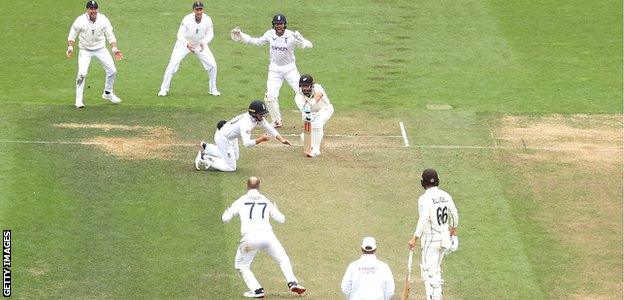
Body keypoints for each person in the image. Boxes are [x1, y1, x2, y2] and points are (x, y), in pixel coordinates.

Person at [222, 177, 306, 298]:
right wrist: (277, 209)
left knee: (241, 266)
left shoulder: (240, 200)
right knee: (283, 259)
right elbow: (281, 219)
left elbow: (225, 219)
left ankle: (256, 289)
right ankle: (292, 282)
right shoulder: (266, 200)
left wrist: (227, 211)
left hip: (250, 238)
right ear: (259, 187)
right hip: (268, 236)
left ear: (247, 186)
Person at [230, 14, 313, 128]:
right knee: (270, 96)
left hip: (290, 68)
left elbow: (310, 45)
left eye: (281, 24)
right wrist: (242, 36)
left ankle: (310, 116)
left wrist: (302, 41)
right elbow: (257, 42)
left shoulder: (292, 35)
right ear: (274, 25)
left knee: (301, 92)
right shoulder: (270, 34)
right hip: (274, 69)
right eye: (277, 24)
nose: (279, 26)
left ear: (284, 24)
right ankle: (277, 121)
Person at [195, 100, 291, 172]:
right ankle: (204, 158)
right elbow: (247, 144)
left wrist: (281, 140)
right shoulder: (246, 123)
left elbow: (269, 128)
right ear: (254, 113)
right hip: (223, 138)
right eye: (261, 114)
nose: (263, 116)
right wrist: (261, 139)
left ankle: (207, 147)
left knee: (234, 157)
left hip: (230, 137)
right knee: (231, 167)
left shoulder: (257, 118)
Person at [407, 169, 459, 300]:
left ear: (422, 182)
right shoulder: (446, 195)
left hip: (431, 240)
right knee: (436, 270)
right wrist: (453, 229)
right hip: (445, 238)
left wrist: (414, 238)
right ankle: (437, 297)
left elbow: (424, 219)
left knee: (427, 273)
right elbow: (454, 214)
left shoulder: (424, 199)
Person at [66, 0, 124, 109]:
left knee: (112, 71)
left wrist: (115, 49)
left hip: (100, 48)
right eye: (91, 9)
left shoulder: (103, 19)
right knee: (82, 74)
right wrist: (70, 47)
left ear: (97, 9)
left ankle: (108, 93)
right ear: (87, 9)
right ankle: (79, 100)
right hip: (85, 50)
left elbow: (110, 35)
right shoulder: (80, 20)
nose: (93, 11)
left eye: (95, 8)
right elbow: (72, 34)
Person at [158, 2, 220, 97]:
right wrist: (187, 44)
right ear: (193, 10)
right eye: (197, 9)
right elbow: (179, 34)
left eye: (200, 9)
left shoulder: (208, 20)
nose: (199, 12)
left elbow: (210, 34)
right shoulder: (187, 19)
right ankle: (163, 89)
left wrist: (204, 42)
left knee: (213, 65)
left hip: (200, 44)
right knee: (172, 65)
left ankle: (213, 89)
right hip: (184, 44)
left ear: (203, 10)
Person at [295, 74, 334, 157]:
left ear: (311, 85)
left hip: (325, 109)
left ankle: (316, 150)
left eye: (307, 86)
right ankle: (309, 140)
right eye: (303, 86)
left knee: (317, 124)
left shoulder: (317, 87)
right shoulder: (298, 97)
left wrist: (310, 103)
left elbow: (319, 95)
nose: (305, 88)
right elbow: (305, 112)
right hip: (311, 113)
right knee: (309, 130)